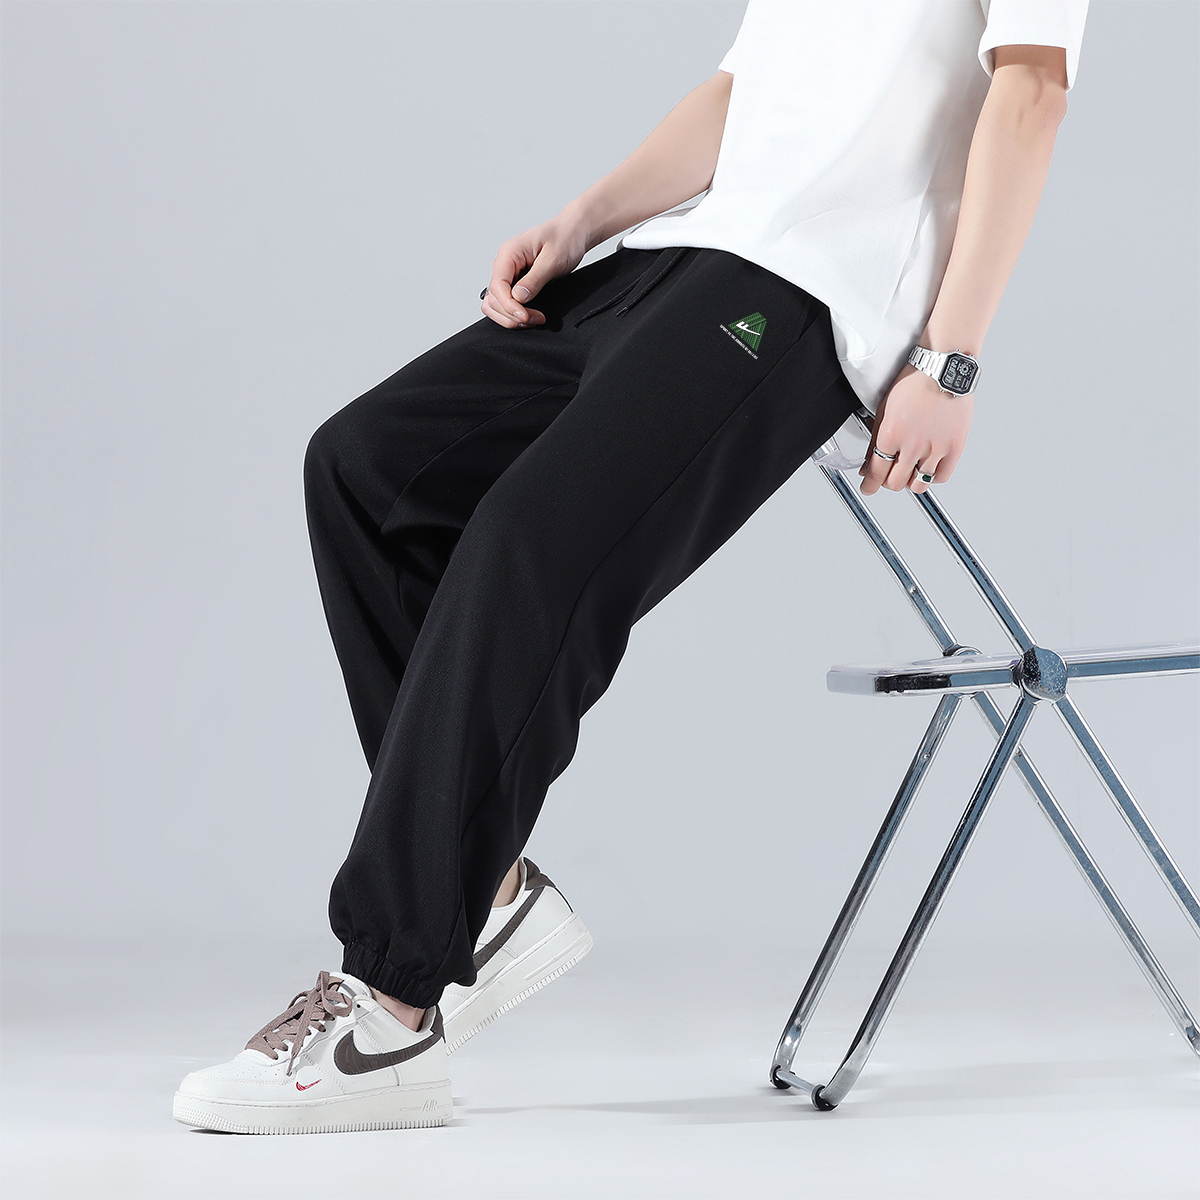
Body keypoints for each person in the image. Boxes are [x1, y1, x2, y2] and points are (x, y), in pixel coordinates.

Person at [173, 0, 1090, 1134]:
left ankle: (393, 1011)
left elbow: (1033, 93)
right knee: (365, 469)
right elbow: (740, 95)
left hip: (804, 294)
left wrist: (950, 361)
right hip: (674, 259)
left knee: (527, 544)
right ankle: (488, 894)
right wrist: (586, 219)